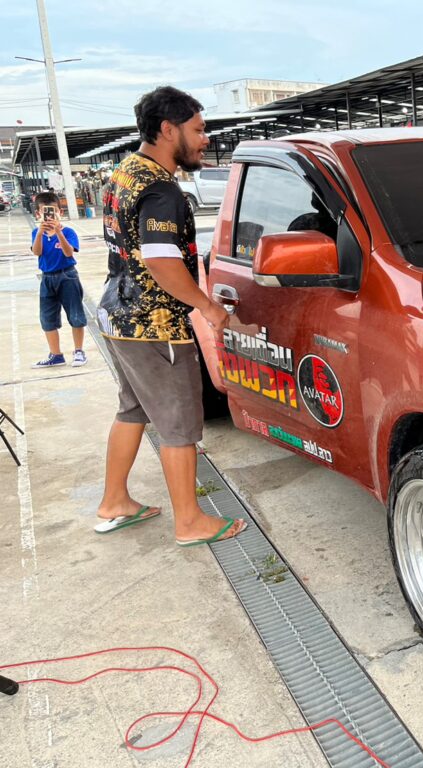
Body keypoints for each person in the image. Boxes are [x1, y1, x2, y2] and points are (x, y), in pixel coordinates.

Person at [95, 85, 246, 546]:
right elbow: (162, 262)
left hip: (118, 315)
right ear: (167, 129)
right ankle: (190, 522)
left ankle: (115, 502)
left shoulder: (125, 171)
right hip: (154, 325)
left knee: (133, 408)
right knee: (179, 423)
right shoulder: (161, 190)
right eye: (198, 130)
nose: (205, 139)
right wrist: (208, 307)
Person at [30, 191, 87, 369]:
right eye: (45, 212)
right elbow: (37, 252)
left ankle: (79, 351)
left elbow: (69, 252)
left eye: (53, 211)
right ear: (38, 214)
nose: (49, 215)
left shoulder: (68, 232)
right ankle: (55, 354)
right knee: (47, 317)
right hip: (47, 277)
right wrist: (40, 233)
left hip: (67, 276)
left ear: (60, 212)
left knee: (76, 314)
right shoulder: (36, 232)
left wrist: (58, 232)